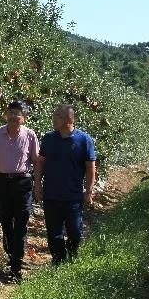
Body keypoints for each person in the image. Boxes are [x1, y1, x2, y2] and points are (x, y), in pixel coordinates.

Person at [0, 100, 39, 282]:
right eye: (10, 112)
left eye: (17, 113)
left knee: (21, 221)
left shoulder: (30, 136)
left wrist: (40, 183)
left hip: (23, 183)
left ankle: (16, 265)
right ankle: (12, 252)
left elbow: (36, 160)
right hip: (3, 182)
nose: (12, 116)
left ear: (24, 118)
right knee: (5, 221)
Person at [34, 104, 96, 264]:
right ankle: (58, 261)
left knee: (75, 231)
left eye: (58, 116)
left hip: (73, 196)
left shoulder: (84, 140)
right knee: (53, 233)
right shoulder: (48, 139)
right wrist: (38, 185)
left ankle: (73, 255)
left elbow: (90, 168)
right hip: (51, 194)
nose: (54, 118)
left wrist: (88, 191)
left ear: (69, 119)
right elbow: (41, 162)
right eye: (54, 115)